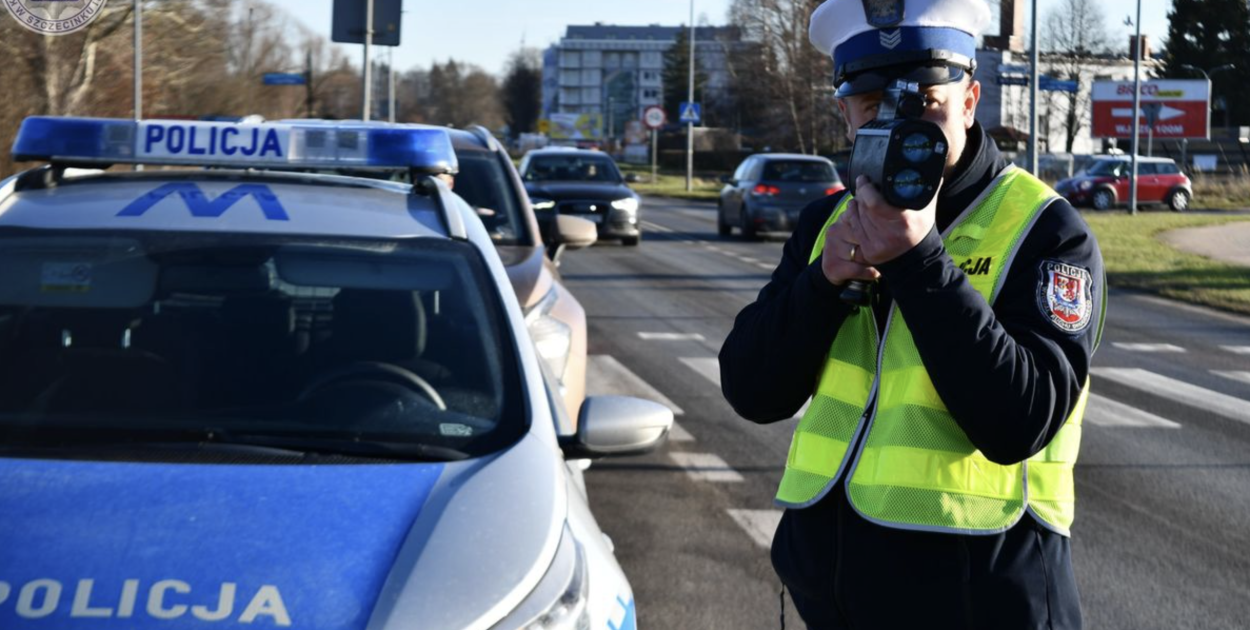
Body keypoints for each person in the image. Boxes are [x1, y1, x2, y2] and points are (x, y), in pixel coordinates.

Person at [718, 0, 1105, 628]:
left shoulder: (1046, 229)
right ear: (844, 113)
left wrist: (920, 261)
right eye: (872, 105)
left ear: (971, 99)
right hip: (832, 602)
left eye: (925, 101)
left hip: (981, 607)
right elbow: (750, 389)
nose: (899, 126)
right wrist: (822, 283)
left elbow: (1020, 420)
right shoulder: (827, 223)